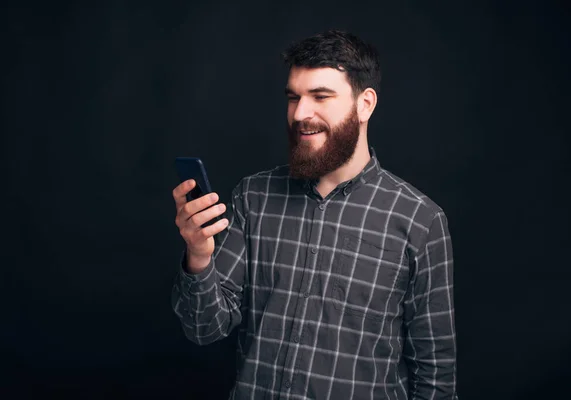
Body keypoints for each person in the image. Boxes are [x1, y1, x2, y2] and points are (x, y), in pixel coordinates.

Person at [171, 29, 458, 400]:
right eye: (293, 97)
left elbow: (435, 379)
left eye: (320, 96)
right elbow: (204, 328)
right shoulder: (253, 196)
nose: (300, 114)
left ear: (365, 104)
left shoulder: (420, 222)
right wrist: (198, 255)